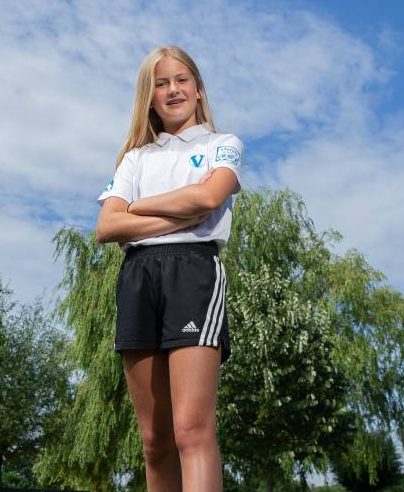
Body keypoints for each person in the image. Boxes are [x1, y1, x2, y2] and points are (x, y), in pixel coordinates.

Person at [96, 45, 243, 491]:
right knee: (154, 440)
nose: (172, 90)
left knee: (190, 430)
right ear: (150, 97)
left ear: (198, 89)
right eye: (161, 84)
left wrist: (136, 212)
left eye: (181, 80)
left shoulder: (223, 145)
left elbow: (207, 199)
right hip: (138, 277)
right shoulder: (135, 159)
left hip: (193, 273)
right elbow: (107, 226)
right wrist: (174, 213)